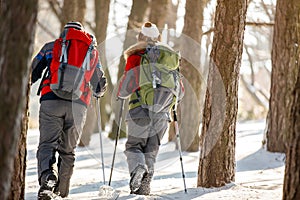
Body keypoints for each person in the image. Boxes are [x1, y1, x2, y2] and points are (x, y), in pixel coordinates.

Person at [31, 21, 107, 199]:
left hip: (51, 100)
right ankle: (62, 194)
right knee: (68, 151)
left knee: (47, 145)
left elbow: (31, 73)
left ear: (64, 33)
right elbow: (100, 86)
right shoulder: (91, 52)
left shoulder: (51, 47)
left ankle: (47, 179)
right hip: (78, 106)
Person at [118, 21, 184, 195]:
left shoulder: (135, 56)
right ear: (159, 38)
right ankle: (144, 188)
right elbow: (181, 91)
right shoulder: (171, 59)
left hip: (139, 109)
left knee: (134, 147)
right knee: (151, 150)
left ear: (140, 37)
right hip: (163, 115)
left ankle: (139, 169)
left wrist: (120, 94)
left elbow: (125, 87)